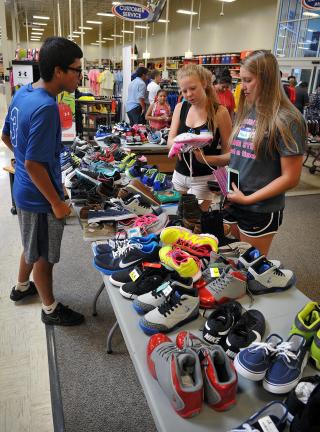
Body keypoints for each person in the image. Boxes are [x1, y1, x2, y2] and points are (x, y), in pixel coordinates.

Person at [1, 37, 85, 326]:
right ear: (59, 71)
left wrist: (27, 162)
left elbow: (6, 137)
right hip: (39, 197)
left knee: (31, 244)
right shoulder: (47, 107)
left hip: (26, 190)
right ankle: (50, 309)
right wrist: (56, 202)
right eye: (76, 70)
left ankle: (21, 288)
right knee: (44, 258)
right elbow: (33, 164)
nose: (79, 76)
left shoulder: (24, 93)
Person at [224, 51, 306, 256]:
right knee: (231, 263)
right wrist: (206, 159)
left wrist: (249, 200)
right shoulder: (247, 110)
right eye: (241, 80)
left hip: (259, 207)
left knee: (251, 269)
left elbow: (291, 177)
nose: (243, 87)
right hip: (234, 199)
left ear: (267, 80)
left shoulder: (288, 119)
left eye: (248, 80)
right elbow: (240, 156)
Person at [168, 64, 232, 213]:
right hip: (179, 175)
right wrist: (180, 144)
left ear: (204, 83)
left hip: (204, 179)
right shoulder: (180, 108)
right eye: (184, 91)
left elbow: (228, 154)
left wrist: (206, 160)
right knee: (179, 217)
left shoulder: (220, 112)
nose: (188, 94)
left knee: (193, 222)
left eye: (192, 88)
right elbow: (170, 141)